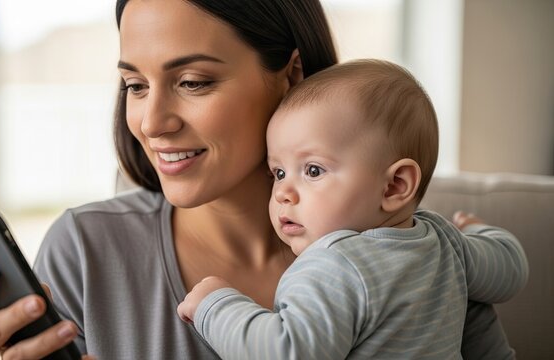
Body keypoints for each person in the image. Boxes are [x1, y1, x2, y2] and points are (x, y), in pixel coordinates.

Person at [0, 1, 518, 359]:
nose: (152, 123)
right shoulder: (85, 251)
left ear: (290, 74)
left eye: (194, 81)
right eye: (135, 85)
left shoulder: (415, 252)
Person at [176, 59, 529, 359]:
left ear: (395, 186)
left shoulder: (336, 265)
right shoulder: (446, 242)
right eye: (278, 172)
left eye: (313, 170)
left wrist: (215, 304)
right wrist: (479, 231)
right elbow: (510, 270)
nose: (283, 192)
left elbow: (286, 351)